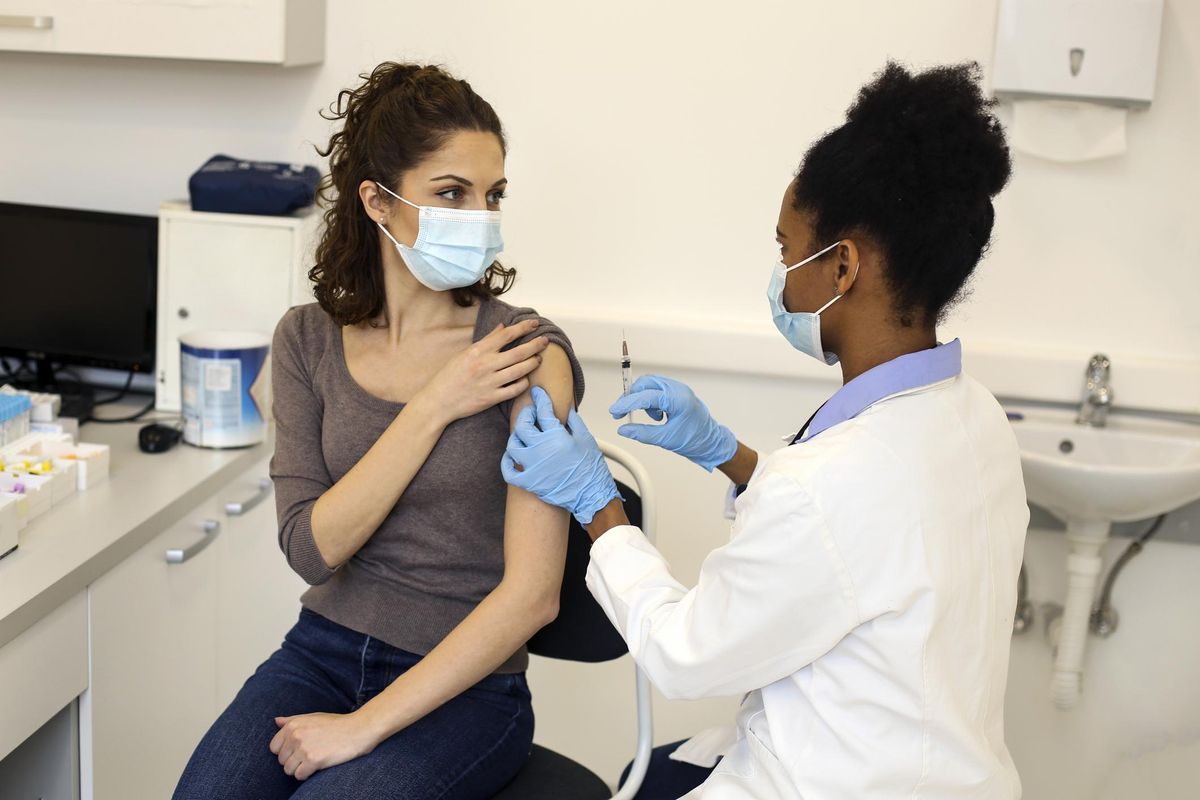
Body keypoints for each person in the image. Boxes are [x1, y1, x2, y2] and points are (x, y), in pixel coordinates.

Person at [502, 61, 1028, 799]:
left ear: (842, 265)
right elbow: (864, 551)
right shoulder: (974, 418)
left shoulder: (836, 482)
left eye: (787, 249)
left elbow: (685, 656)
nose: (781, 275)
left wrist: (597, 502)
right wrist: (730, 456)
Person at [174, 62, 584, 799]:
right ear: (379, 202)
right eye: (452, 193)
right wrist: (434, 405)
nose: (481, 217)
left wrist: (361, 728)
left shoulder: (526, 354)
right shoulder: (306, 341)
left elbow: (533, 597)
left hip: (469, 689)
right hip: (320, 655)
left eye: (493, 196)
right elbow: (311, 549)